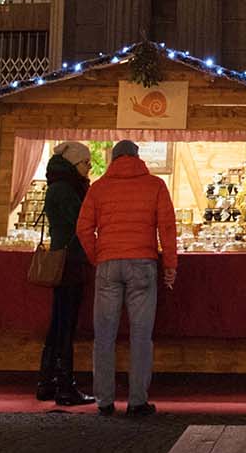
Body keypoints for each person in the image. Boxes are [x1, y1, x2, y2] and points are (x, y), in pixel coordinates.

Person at [76, 139, 177, 417]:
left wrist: (98, 256)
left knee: (104, 336)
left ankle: (104, 401)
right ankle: (137, 401)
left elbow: (83, 228)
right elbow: (167, 227)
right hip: (143, 264)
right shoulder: (155, 185)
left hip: (108, 264)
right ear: (137, 157)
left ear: (113, 158)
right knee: (141, 336)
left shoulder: (99, 187)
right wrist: (170, 264)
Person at [36, 142, 96, 407]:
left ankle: (47, 381)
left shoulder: (57, 184)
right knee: (66, 323)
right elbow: (82, 222)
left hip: (63, 258)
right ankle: (64, 385)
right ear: (74, 163)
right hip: (70, 260)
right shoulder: (67, 189)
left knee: (58, 322)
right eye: (86, 163)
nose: (89, 167)